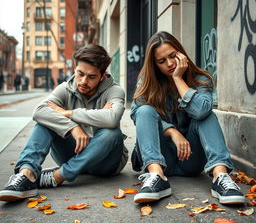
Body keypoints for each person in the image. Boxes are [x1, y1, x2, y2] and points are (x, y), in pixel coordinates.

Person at [0, 44, 128, 202]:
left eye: (92, 77)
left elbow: (112, 117)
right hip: (73, 151)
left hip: (106, 163)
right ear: (75, 68)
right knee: (44, 123)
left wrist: (69, 113)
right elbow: (39, 111)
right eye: (80, 73)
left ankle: (59, 176)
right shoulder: (65, 89)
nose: (83, 81)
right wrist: (72, 127)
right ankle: (26, 175)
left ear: (102, 76)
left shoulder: (115, 91)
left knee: (111, 132)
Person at [130, 31, 245, 205]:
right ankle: (156, 177)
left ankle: (221, 177)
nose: (169, 63)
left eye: (173, 56)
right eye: (162, 61)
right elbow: (136, 113)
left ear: (181, 53)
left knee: (205, 114)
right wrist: (171, 131)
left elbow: (200, 111)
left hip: (191, 158)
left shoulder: (200, 79)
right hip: (161, 157)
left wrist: (178, 78)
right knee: (144, 111)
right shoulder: (147, 81)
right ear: (154, 64)